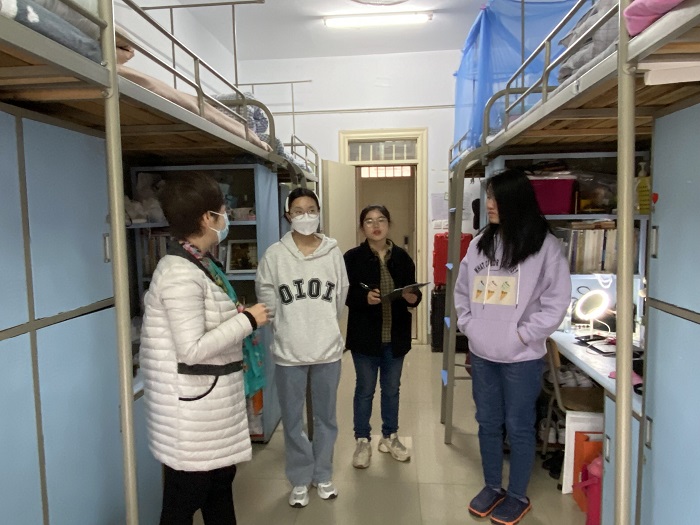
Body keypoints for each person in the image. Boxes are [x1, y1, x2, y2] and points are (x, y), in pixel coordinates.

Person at [139, 172, 269, 525]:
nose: (226, 217)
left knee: (219, 488)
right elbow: (192, 349)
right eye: (222, 211)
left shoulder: (201, 262)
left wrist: (237, 316)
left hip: (209, 410)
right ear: (205, 218)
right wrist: (248, 321)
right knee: (185, 499)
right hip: (194, 416)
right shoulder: (180, 274)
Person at [453, 169, 571, 525]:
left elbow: (556, 302)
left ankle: (517, 494)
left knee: (519, 427)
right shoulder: (479, 244)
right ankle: (492, 486)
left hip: (522, 358)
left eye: (495, 198)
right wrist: (469, 327)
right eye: (488, 197)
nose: (488, 204)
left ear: (515, 201)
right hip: (482, 354)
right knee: (487, 423)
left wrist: (523, 335)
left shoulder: (544, 247)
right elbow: (462, 291)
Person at [255, 187, 349, 508]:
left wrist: (324, 326)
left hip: (327, 350)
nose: (305, 216)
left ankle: (322, 474)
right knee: (293, 420)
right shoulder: (275, 256)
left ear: (319, 213)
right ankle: (299, 477)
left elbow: (340, 297)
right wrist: (286, 329)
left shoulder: (333, 253)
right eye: (298, 211)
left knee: (326, 418)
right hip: (289, 353)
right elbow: (267, 297)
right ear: (287, 215)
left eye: (311, 209)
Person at [343, 205, 422, 469]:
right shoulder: (352, 258)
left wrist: (413, 296)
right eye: (369, 221)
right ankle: (362, 439)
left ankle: (390, 436)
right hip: (365, 337)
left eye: (381, 220)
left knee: (391, 390)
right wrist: (363, 297)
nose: (376, 226)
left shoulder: (402, 257)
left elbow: (414, 292)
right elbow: (344, 294)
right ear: (362, 227)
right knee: (365, 390)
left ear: (389, 224)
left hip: (395, 336)